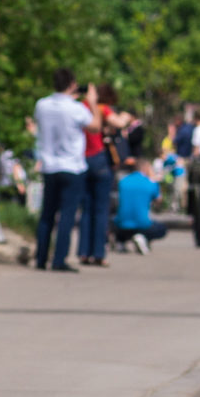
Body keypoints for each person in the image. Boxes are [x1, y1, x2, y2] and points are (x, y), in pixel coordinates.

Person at [33, 67, 98, 271]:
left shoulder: (41, 105)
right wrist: (93, 102)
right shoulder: (76, 108)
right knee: (67, 215)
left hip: (50, 165)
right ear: (72, 84)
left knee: (47, 215)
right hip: (72, 166)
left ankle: (41, 258)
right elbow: (95, 126)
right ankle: (59, 259)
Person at [76, 83, 118, 267]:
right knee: (101, 209)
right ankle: (99, 253)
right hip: (98, 158)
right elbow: (119, 122)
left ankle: (84, 252)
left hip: (82, 159)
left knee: (86, 209)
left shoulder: (76, 108)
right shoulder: (100, 108)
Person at [113, 159, 168, 254]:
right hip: (142, 225)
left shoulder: (123, 181)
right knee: (161, 229)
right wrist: (153, 178)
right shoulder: (151, 183)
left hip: (121, 224)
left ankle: (121, 241)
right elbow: (159, 201)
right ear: (146, 169)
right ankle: (143, 238)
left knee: (117, 222)